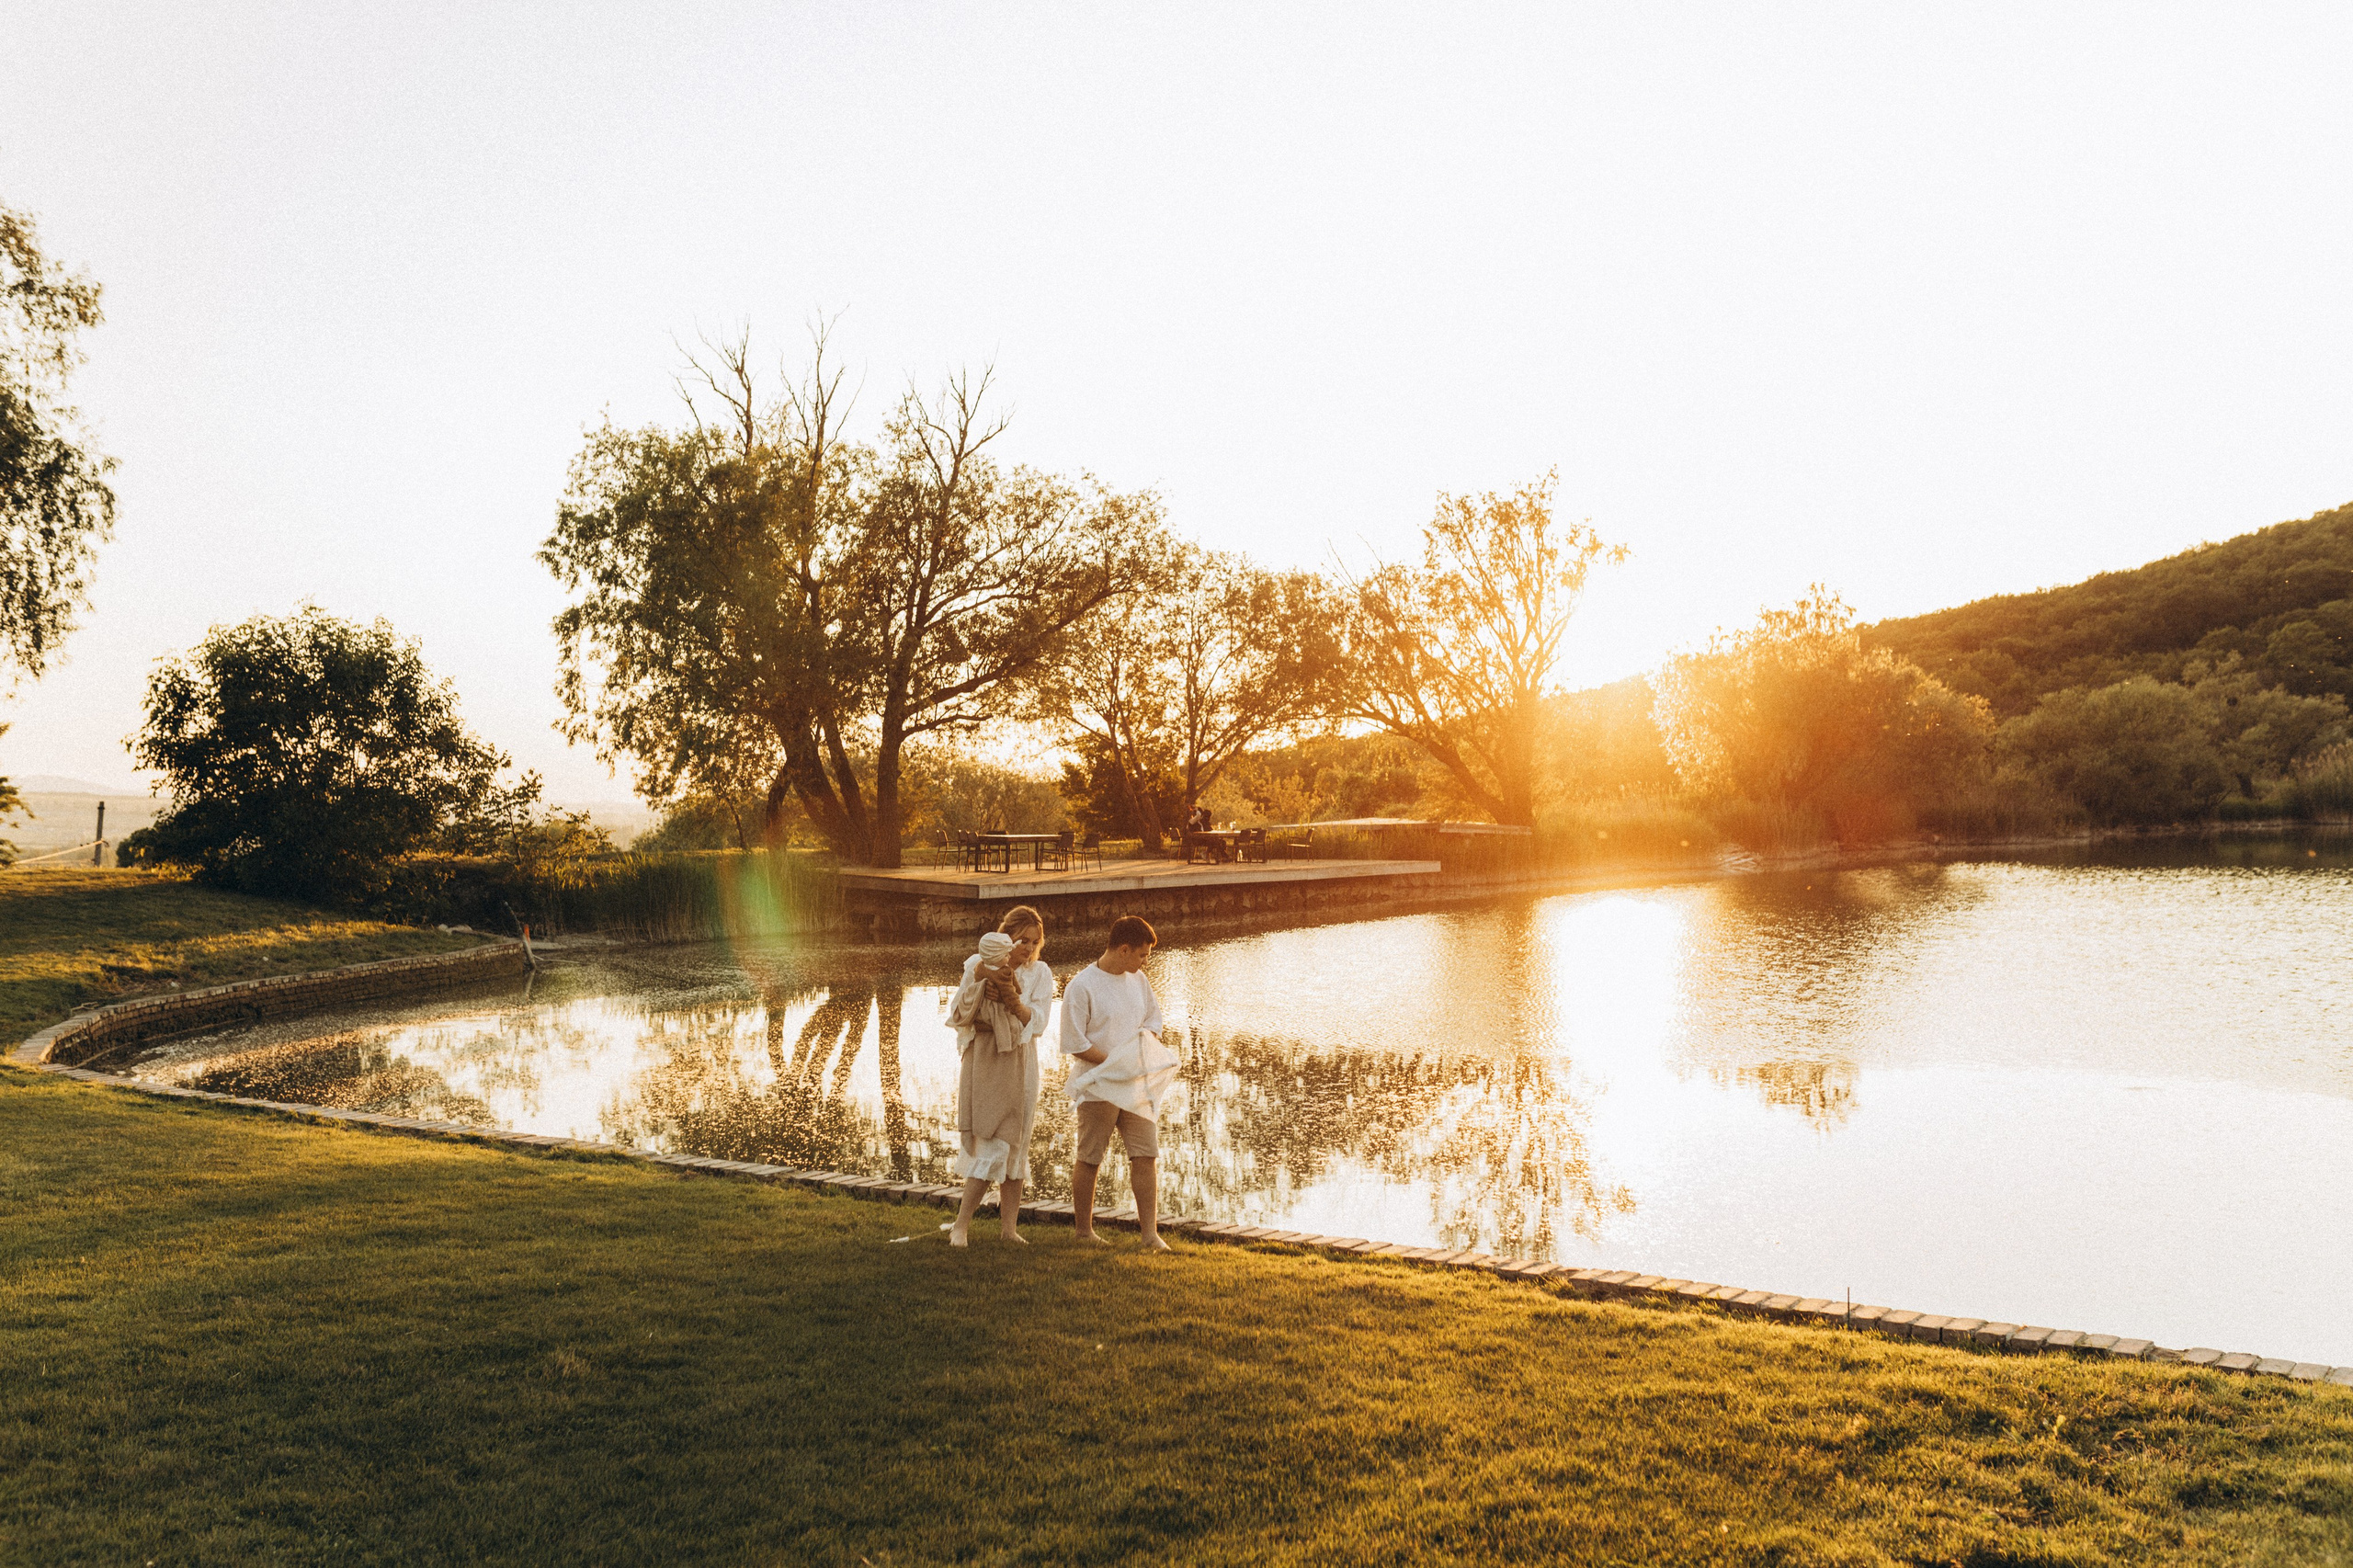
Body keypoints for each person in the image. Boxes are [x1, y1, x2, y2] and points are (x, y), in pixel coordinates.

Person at [1060, 914, 1177, 1251]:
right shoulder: (1082, 986)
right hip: (1098, 1085)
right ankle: (1084, 1232)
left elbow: (1153, 1018)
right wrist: (1116, 1062)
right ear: (1124, 949)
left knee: (1145, 1155)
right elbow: (1074, 1042)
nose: (1144, 962)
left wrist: (1144, 1046)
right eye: (1141, 955)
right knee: (1090, 1157)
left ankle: (1149, 1235)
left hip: (1136, 1085)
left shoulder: (1138, 980)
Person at [947, 905, 1057, 1245]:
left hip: (1022, 1062)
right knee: (991, 1143)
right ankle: (960, 1225)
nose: (1027, 947)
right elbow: (959, 1013)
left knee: (1016, 1145)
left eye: (1034, 942)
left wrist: (1011, 1004)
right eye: (1021, 939)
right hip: (985, 1060)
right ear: (1005, 937)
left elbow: (1037, 1022)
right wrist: (982, 985)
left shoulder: (1040, 974)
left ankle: (1008, 1229)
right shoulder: (975, 964)